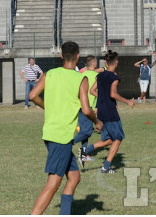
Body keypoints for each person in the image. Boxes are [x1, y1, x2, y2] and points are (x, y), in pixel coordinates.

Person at [29, 42, 101, 215]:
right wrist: (97, 121)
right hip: (61, 136)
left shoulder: (49, 74)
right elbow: (86, 109)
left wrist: (47, 106)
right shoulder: (80, 79)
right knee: (53, 183)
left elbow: (32, 95)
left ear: (61, 56)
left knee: (74, 177)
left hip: (51, 133)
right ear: (78, 57)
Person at [80, 50, 135, 173]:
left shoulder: (100, 75)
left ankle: (85, 151)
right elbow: (113, 94)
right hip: (110, 111)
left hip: (101, 111)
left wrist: (102, 97)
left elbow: (92, 91)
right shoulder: (114, 77)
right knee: (118, 138)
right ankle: (106, 167)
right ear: (116, 62)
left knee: (109, 140)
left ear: (106, 62)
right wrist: (128, 101)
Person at [73, 55, 99, 163]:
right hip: (88, 107)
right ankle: (67, 143)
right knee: (87, 132)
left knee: (85, 131)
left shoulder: (81, 75)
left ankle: (83, 155)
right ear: (94, 64)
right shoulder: (97, 76)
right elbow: (98, 93)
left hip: (80, 106)